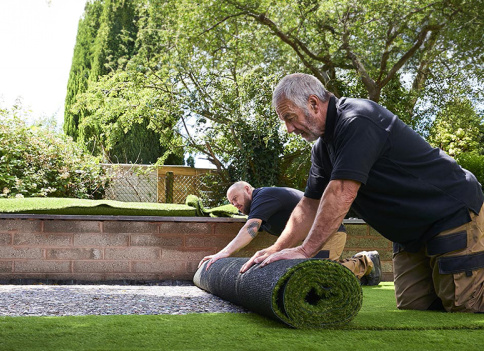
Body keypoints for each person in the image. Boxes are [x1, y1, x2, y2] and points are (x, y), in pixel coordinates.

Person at [241, 73, 484, 313]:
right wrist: (277, 249)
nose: (289, 129)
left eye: (290, 118)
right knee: (415, 304)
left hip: (450, 212)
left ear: (313, 103)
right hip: (411, 234)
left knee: (465, 304)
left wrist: (306, 251)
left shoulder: (357, 120)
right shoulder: (322, 149)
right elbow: (309, 205)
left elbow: (342, 192)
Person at [199, 181, 382, 285]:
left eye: (236, 199)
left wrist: (223, 253)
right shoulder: (262, 209)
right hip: (307, 242)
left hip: (329, 233)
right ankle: (359, 273)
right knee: (305, 277)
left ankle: (365, 262)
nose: (235, 205)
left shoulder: (263, 197)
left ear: (247, 189)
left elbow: (249, 230)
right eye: (232, 203)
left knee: (318, 274)